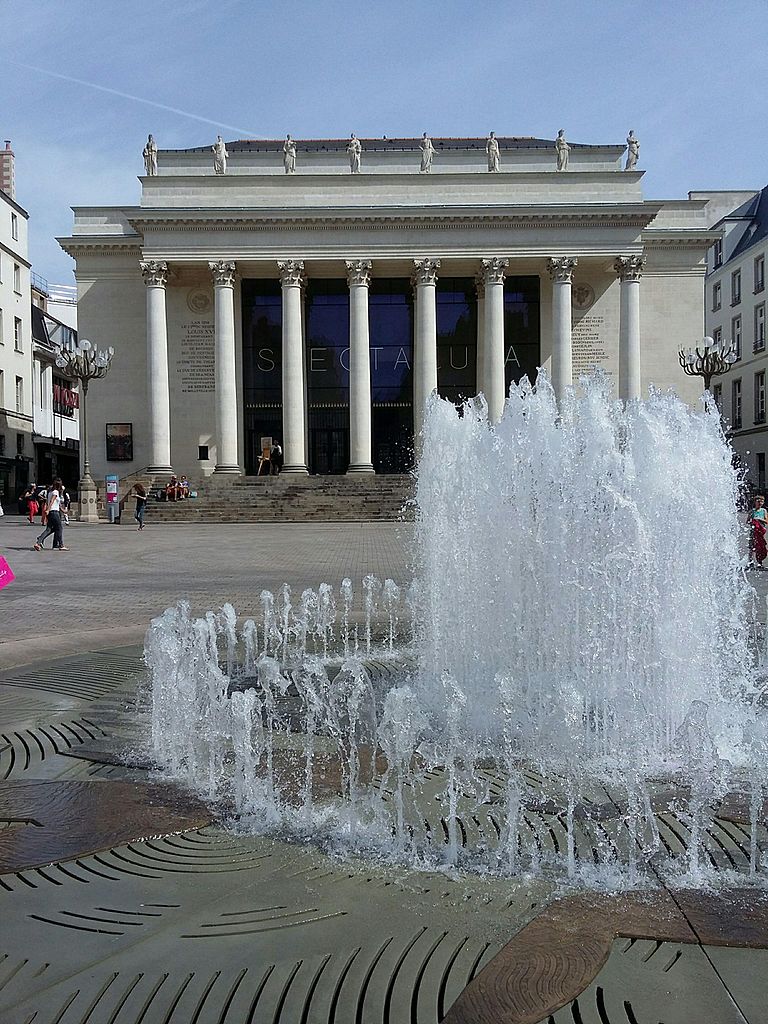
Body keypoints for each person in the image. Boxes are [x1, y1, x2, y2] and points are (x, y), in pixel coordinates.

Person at [34, 478, 67, 551]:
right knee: (59, 528)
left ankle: (39, 541)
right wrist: (48, 509)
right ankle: (61, 545)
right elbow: (52, 501)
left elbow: (56, 503)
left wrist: (62, 510)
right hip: (54, 512)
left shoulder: (50, 492)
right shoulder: (55, 492)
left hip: (51, 512)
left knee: (49, 529)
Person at [748, 494, 768, 568]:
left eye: (762, 501)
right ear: (755, 502)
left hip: (761, 531)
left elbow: (766, 521)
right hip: (753, 531)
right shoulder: (752, 511)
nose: (760, 503)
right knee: (751, 546)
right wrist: (752, 521)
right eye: (758, 501)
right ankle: (750, 561)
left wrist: (759, 519)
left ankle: (760, 562)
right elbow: (747, 521)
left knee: (761, 546)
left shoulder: (764, 511)